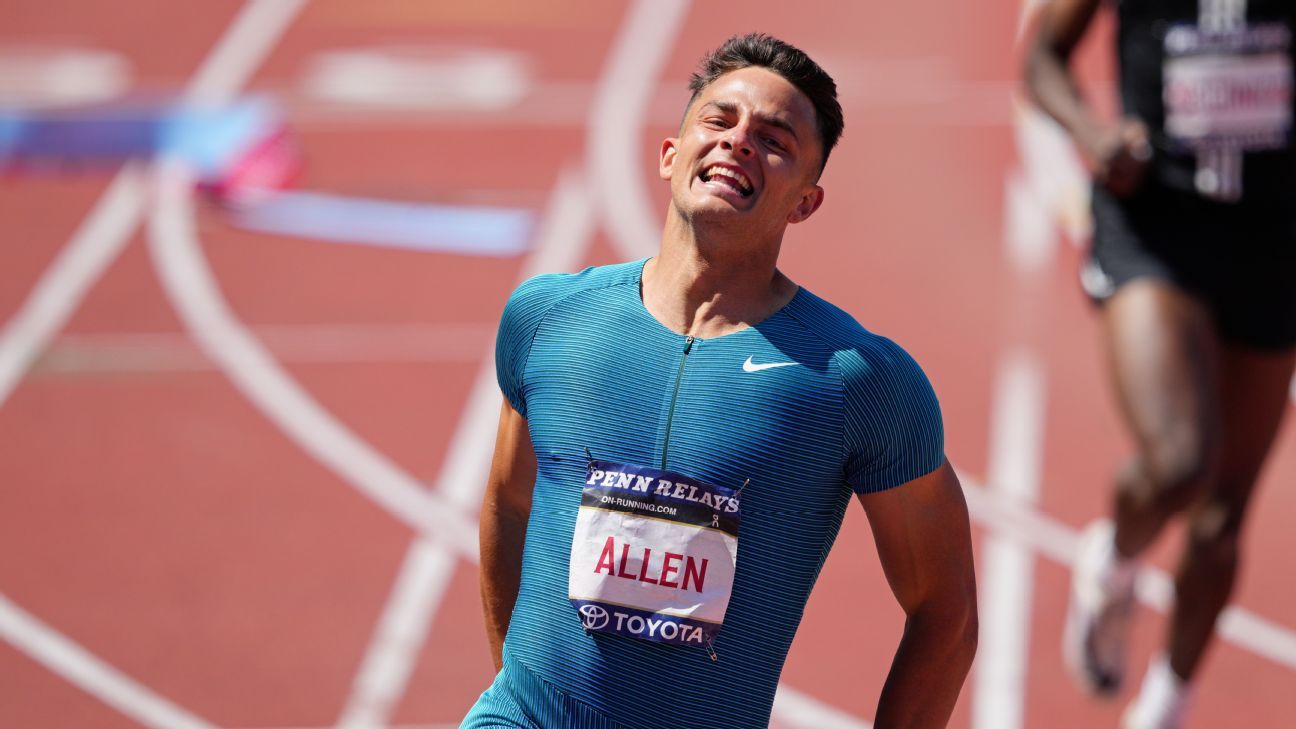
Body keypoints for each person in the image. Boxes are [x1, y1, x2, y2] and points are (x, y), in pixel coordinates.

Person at [463, 33, 978, 729]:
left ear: (806, 201)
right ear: (670, 155)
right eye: (719, 119)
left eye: (774, 139)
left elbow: (944, 607)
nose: (738, 141)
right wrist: (513, 691)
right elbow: (509, 500)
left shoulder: (857, 379)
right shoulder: (550, 316)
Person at [1025, 1, 1296, 727]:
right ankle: (1112, 560)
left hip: (1271, 241)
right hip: (1157, 227)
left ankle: (1165, 707)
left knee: (1220, 522)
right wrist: (1094, 136)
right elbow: (1041, 57)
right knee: (1179, 462)